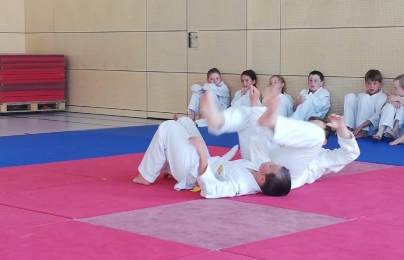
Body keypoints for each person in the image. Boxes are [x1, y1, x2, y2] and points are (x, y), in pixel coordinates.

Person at [201, 87, 360, 190]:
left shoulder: (323, 156)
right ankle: (218, 121)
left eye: (311, 128)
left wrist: (342, 129)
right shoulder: (285, 137)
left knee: (315, 134)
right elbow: (258, 130)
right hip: (259, 161)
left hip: (286, 175)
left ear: (325, 142)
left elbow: (350, 154)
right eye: (307, 126)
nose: (305, 130)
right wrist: (255, 104)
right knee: (249, 113)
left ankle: (272, 123)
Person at [132, 116, 291, 198]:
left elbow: (211, 190)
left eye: (271, 166)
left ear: (262, 180)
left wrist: (201, 152)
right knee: (185, 122)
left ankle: (147, 175)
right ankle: (170, 166)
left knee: (167, 127)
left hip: (193, 173)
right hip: (204, 162)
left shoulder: (240, 185)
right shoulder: (256, 171)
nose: (270, 162)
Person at [372, 74, 404, 141]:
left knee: (402, 106)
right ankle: (380, 131)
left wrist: (400, 99)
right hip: (392, 131)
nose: (393, 90)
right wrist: (391, 102)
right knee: (389, 106)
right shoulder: (394, 97)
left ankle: (395, 130)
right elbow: (381, 111)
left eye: (395, 88)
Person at [342, 69, 386, 138]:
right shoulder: (361, 95)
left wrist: (362, 126)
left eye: (374, 83)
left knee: (365, 97)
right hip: (356, 126)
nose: (371, 86)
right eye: (369, 83)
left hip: (369, 128)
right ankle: (348, 127)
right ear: (365, 83)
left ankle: (362, 131)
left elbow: (378, 115)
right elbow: (353, 111)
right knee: (350, 96)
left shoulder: (383, 97)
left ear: (380, 84)